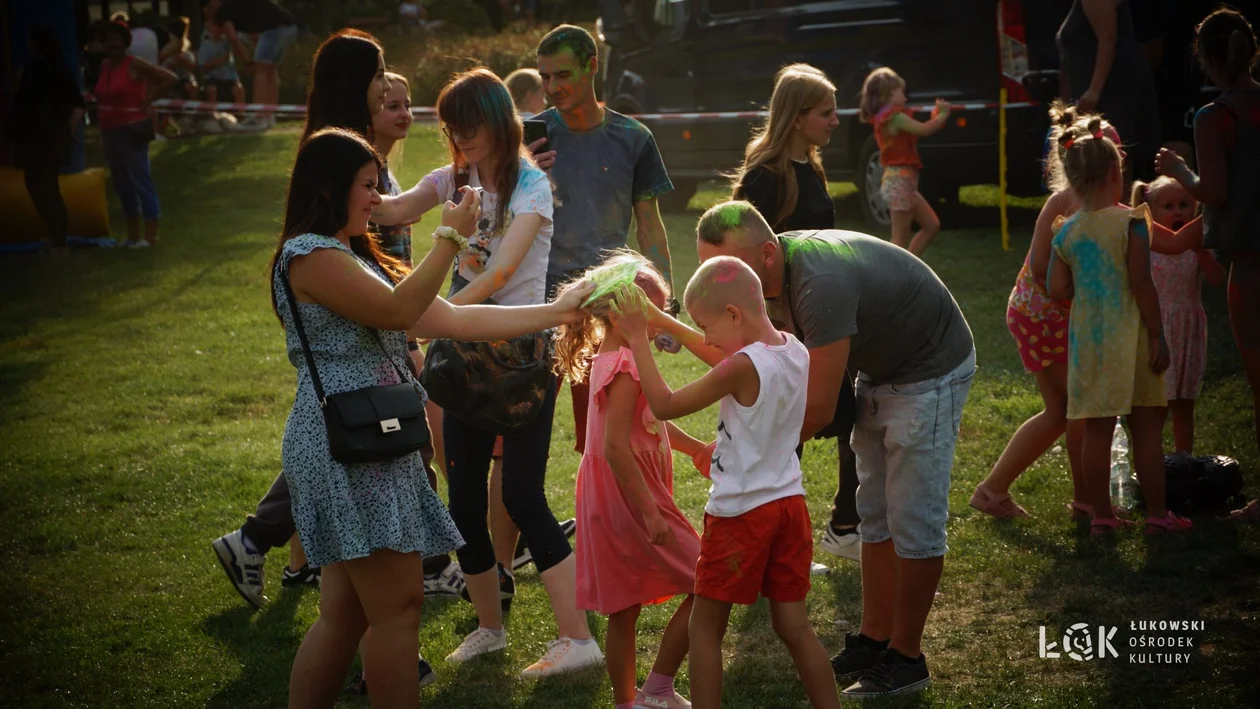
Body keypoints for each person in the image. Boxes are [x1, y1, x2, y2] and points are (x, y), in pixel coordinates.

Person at [276, 126, 594, 707]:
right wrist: (450, 237)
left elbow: (449, 319)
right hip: (350, 447)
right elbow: (403, 313)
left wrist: (559, 312)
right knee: (398, 609)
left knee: (348, 617)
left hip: (372, 441)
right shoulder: (310, 256)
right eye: (367, 186)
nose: (377, 199)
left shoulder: (349, 254)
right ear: (329, 189)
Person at [650, 201, 975, 698]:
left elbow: (818, 407)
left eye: (728, 267)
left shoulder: (818, 283)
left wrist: (750, 452)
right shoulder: (761, 296)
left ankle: (906, 657)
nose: (721, 276)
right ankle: (874, 640)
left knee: (912, 517)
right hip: (878, 375)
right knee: (874, 513)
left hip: (929, 369)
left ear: (767, 254)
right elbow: (755, 367)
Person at [373, 68, 604, 678]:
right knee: (464, 502)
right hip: (460, 355)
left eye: (467, 124)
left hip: (522, 353)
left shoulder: (530, 185)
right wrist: (357, 167)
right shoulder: (452, 178)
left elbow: (502, 272)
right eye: (450, 127)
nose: (458, 136)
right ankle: (490, 629)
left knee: (524, 494)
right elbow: (391, 208)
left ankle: (578, 640)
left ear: (498, 121)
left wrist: (431, 317)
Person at [611, 257, 840, 709]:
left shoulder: (740, 368)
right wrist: (662, 319)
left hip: (741, 514)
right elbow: (730, 353)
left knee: (705, 627)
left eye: (705, 326)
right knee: (794, 626)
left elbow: (664, 403)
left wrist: (639, 338)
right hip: (790, 505)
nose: (707, 338)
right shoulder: (793, 348)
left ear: (734, 314)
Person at [552, 252, 703, 709]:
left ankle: (628, 702)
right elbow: (617, 446)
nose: (659, 321)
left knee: (624, 609)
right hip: (629, 495)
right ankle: (655, 690)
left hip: (614, 491)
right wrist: (650, 511)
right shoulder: (627, 365)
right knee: (708, 580)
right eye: (651, 311)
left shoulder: (613, 356)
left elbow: (651, 421)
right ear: (621, 314)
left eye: (663, 310)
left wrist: (695, 449)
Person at [730, 63, 860, 562]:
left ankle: (845, 524)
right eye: (825, 113)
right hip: (783, 324)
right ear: (798, 116)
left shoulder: (811, 166)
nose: (835, 120)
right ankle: (771, 539)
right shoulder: (764, 176)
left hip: (823, 315)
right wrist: (767, 319)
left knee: (851, 417)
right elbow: (740, 250)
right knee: (787, 428)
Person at [535, 23, 677, 466]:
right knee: (523, 440)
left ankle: (597, 522)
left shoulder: (634, 138)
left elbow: (650, 227)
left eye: (562, 75)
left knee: (603, 437)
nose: (552, 87)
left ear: (592, 68)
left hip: (605, 301)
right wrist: (524, 169)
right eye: (544, 78)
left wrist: (664, 305)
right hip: (537, 300)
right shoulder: (534, 135)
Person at [1045, 115, 1192, 536]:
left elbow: (1056, 288)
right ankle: (1158, 515)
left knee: (1097, 429)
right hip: (1134, 338)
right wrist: (1158, 335)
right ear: (1115, 172)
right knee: (1145, 428)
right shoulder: (1132, 222)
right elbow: (1143, 283)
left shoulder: (1066, 231)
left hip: (1090, 343)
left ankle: (1102, 516)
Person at [1155, 7, 1260, 522]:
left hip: (1253, 265)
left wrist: (1180, 170)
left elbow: (1214, 192)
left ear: (1207, 61)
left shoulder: (1216, 116)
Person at [1132, 176, 1225, 453]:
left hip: (1188, 330)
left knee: (1184, 405)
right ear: (1151, 210)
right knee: (1157, 406)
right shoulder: (1146, 245)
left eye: (1184, 204)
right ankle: (1154, 466)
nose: (1178, 212)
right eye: (1168, 206)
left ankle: (1184, 462)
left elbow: (1217, 279)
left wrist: (1200, 251)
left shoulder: (1197, 245)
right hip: (1157, 329)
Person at [93, 20, 177, 249]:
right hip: (109, 131)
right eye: (108, 39)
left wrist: (147, 100)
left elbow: (169, 78)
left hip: (132, 130)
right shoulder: (104, 67)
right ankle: (132, 237)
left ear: (125, 42)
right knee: (121, 184)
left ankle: (149, 237)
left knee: (141, 180)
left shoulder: (135, 63)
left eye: (116, 39)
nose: (112, 44)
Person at [1056, 0, 1161, 183]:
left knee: (1116, 165)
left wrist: (1094, 90)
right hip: (1099, 96)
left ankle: (1122, 211)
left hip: (1112, 96)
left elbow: (1108, 38)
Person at [857, 67, 950, 256]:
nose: (906, 98)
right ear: (888, 95)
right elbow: (923, 130)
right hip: (899, 182)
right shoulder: (895, 117)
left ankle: (910, 266)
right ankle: (892, 276)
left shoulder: (892, 117)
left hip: (905, 183)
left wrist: (935, 117)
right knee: (899, 238)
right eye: (902, 92)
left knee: (931, 225)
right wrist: (942, 115)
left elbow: (921, 128)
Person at [8, 25, 85, 253]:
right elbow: (77, 103)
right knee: (47, 186)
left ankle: (59, 240)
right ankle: (57, 237)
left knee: (41, 187)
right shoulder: (60, 69)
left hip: (37, 137)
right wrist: (71, 128)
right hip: (51, 136)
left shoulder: (35, 71)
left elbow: (23, 103)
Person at [207, 0, 299, 128]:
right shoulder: (240, 13)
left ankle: (259, 117)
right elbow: (256, 37)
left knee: (260, 69)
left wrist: (248, 62)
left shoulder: (223, 12)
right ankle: (269, 115)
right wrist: (253, 60)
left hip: (276, 28)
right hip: (290, 27)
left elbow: (233, 38)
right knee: (270, 69)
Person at [198, 6, 244, 106]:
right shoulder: (206, 45)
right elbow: (202, 66)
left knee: (238, 89)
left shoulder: (228, 43)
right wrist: (221, 60)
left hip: (229, 79)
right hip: (212, 78)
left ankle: (240, 115)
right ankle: (212, 115)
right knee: (211, 90)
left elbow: (239, 47)